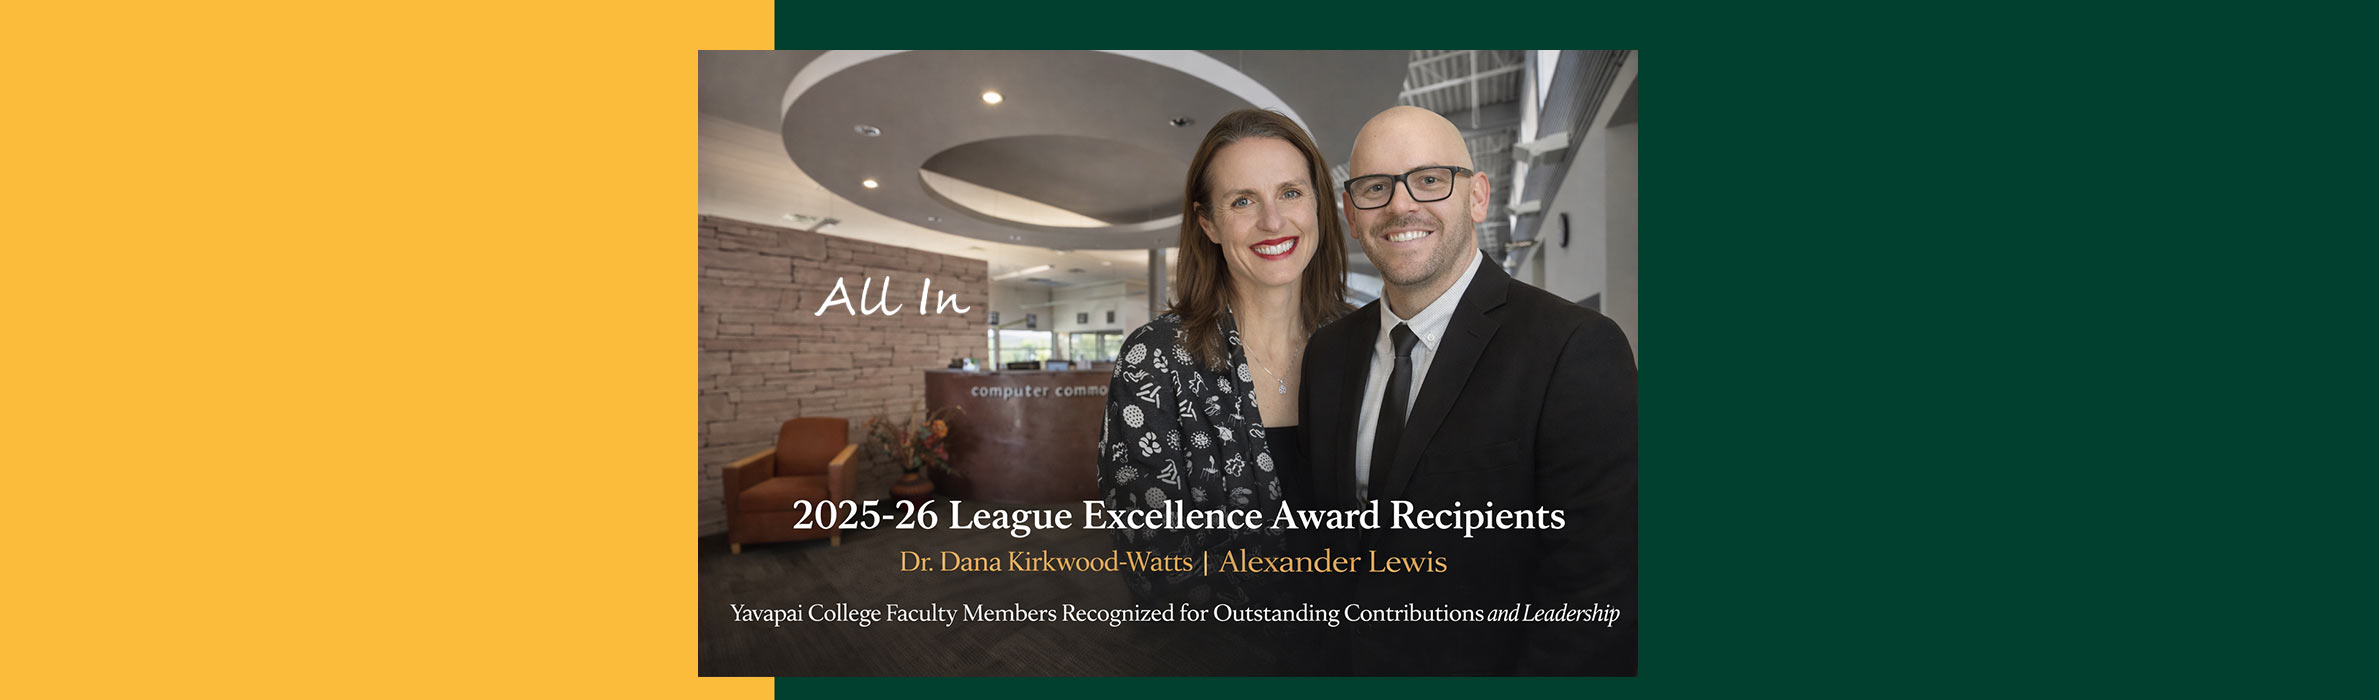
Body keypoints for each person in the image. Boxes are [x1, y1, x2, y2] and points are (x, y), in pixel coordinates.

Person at [1296, 106, 1639, 675]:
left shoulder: (1573, 347)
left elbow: (1598, 595)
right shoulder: (1327, 355)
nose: (1401, 205)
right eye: (1375, 187)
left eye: (1430, 179)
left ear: (1477, 196)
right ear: (1352, 216)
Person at [1097, 108, 1353, 610]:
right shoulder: (1154, 360)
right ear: (1208, 223)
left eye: (1291, 193)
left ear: (1318, 205)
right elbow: (1156, 567)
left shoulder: (1363, 342)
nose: (1272, 221)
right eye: (1243, 201)